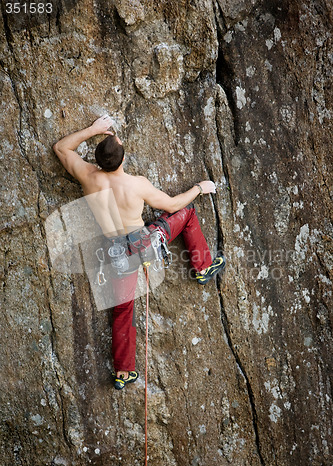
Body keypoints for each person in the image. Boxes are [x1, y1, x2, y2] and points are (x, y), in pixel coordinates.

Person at [53, 115, 226, 390]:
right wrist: (199, 188)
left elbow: (61, 148)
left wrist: (93, 129)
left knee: (123, 310)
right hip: (143, 246)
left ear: (99, 161)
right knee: (187, 214)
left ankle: (124, 373)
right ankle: (203, 267)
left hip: (115, 256)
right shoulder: (137, 184)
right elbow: (173, 204)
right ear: (122, 160)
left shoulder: (88, 176)